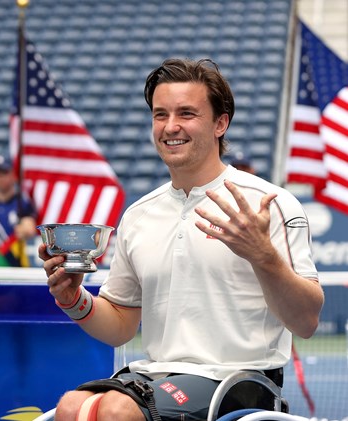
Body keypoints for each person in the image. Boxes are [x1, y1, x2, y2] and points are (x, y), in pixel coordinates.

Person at [39, 58, 324, 421]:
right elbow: (121, 325)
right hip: (154, 375)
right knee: (70, 406)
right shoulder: (139, 214)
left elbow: (307, 322)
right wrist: (73, 299)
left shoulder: (271, 204)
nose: (170, 127)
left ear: (220, 123)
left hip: (241, 382)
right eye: (160, 114)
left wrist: (263, 256)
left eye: (187, 113)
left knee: (115, 410)